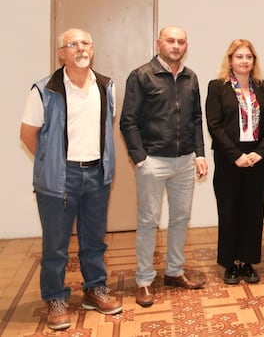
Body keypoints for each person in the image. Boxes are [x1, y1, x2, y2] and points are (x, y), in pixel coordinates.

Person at [20, 28, 123, 330]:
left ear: (93, 49)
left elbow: (108, 123)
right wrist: (51, 162)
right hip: (59, 178)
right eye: (72, 44)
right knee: (56, 245)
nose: (80, 48)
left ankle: (95, 289)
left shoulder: (106, 86)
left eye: (85, 43)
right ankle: (55, 297)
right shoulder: (43, 90)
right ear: (61, 53)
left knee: (94, 240)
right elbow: (28, 135)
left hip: (97, 174)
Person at [120, 25, 208, 308]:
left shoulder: (190, 77)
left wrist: (200, 153)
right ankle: (144, 280)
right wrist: (140, 158)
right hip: (153, 161)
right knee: (148, 222)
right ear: (159, 43)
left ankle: (174, 272)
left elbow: (196, 119)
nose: (176, 45)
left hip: (184, 161)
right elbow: (128, 121)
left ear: (186, 45)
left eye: (181, 41)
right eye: (170, 40)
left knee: (181, 219)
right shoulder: (141, 75)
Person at [205, 39, 264, 284]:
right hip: (229, 158)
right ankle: (230, 263)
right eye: (239, 57)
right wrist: (235, 155)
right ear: (230, 60)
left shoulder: (263, 87)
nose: (244, 61)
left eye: (248, 57)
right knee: (229, 211)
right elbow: (214, 125)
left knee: (252, 211)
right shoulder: (217, 87)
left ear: (253, 61)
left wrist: (261, 152)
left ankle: (247, 262)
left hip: (256, 156)